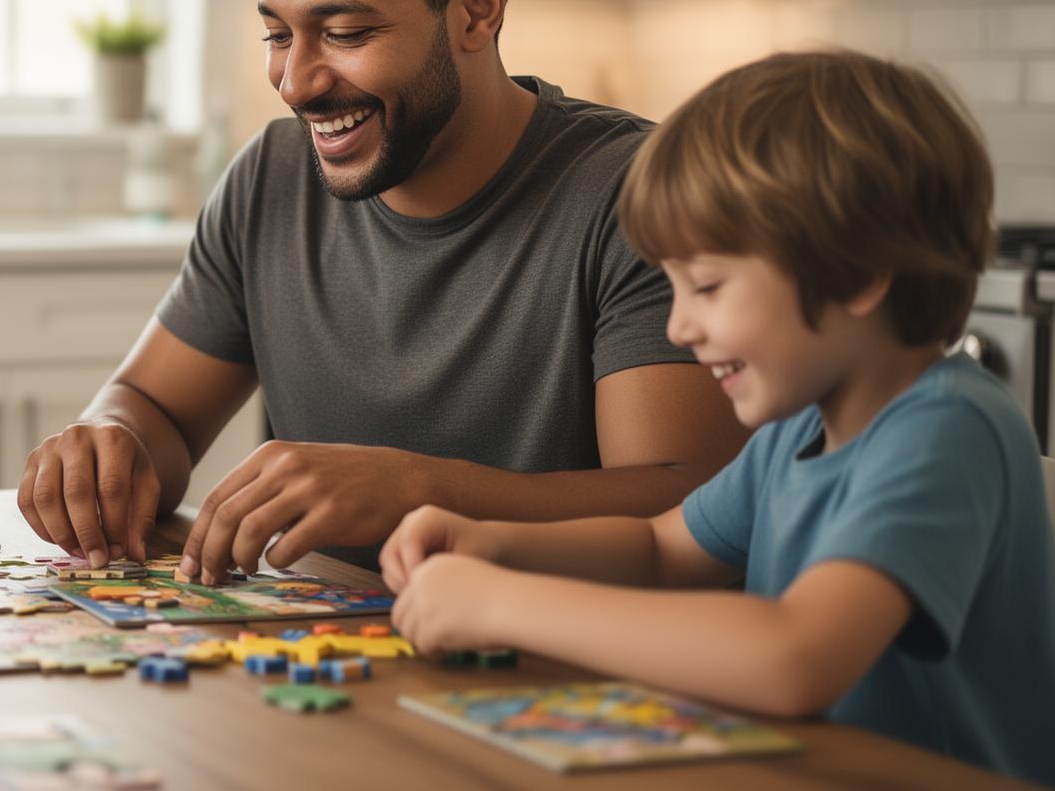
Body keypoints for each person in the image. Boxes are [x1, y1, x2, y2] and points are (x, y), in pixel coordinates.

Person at [18, 0, 746, 579]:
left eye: (345, 32)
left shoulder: (639, 194)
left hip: (569, 670)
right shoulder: (271, 179)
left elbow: (687, 505)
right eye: (277, 35)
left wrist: (418, 490)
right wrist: (111, 439)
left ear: (477, 10)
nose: (296, 82)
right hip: (334, 660)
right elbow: (154, 407)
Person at [381, 51, 1055, 783]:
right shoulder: (800, 430)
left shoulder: (945, 429)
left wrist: (502, 605)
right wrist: (493, 544)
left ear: (858, 275)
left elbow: (794, 656)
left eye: (707, 286)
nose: (678, 327)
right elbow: (660, 551)